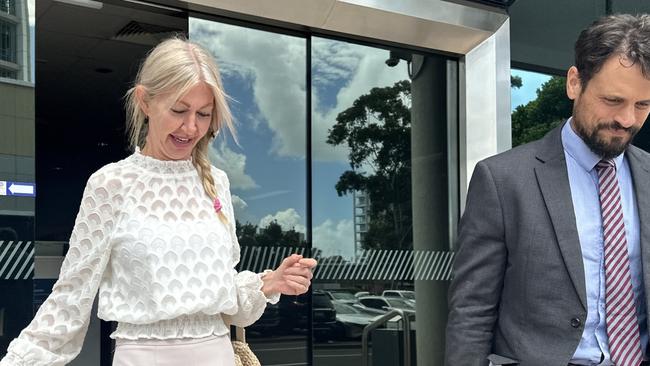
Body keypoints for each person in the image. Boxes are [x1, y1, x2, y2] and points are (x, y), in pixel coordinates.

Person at [0, 37, 317, 366]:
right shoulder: (110, 184)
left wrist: (268, 283)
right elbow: (70, 298)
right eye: (179, 110)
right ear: (144, 102)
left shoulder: (217, 184)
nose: (191, 127)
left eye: (204, 114)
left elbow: (223, 294)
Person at [446, 14, 650, 366]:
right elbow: (472, 310)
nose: (627, 119)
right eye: (613, 100)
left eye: (643, 105)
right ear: (574, 83)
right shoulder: (503, 180)